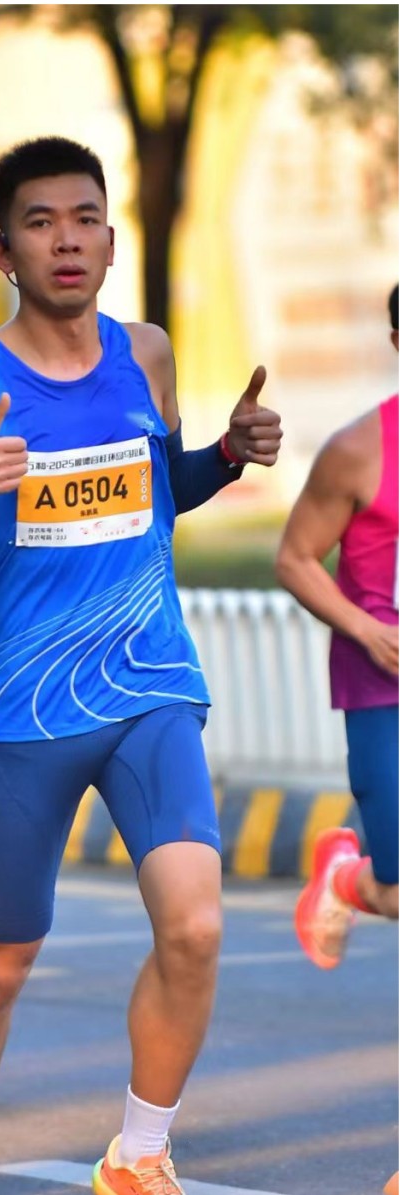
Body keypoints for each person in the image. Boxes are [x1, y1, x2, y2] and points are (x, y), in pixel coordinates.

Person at [0, 136, 282, 1195]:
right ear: (3, 251)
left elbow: (159, 489)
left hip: (149, 681)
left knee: (195, 924)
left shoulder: (146, 354)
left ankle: (138, 1152)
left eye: (85, 219)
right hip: (22, 707)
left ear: (110, 239)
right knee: (0, 961)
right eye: (41, 222)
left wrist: (225, 455)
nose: (67, 239)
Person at [276, 282, 399, 975]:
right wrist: (367, 629)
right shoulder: (360, 448)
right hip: (385, 685)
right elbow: (294, 557)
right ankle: (346, 878)